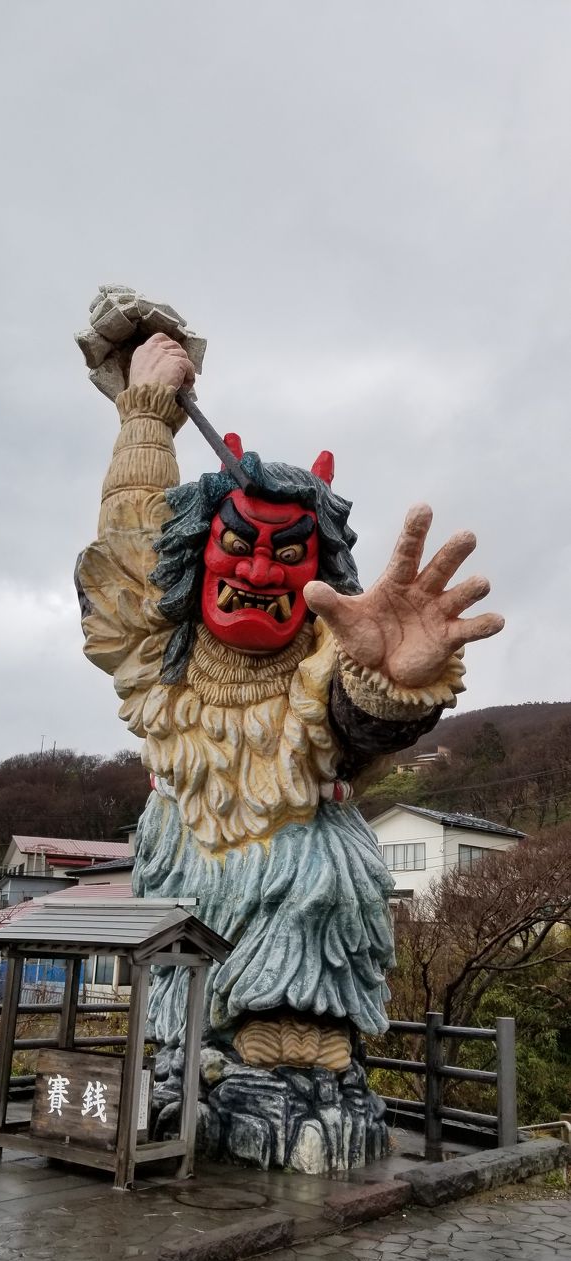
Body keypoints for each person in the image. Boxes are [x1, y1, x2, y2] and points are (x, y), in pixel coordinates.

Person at [77, 332, 503, 1073]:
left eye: (285, 554)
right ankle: (187, 1035)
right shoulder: (161, 646)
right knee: (176, 917)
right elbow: (132, 538)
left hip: (290, 852)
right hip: (187, 841)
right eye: (238, 543)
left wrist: (390, 679)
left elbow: (352, 722)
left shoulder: (321, 657)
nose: (257, 568)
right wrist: (144, 414)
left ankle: (297, 1021)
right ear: (200, 547)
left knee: (320, 871)